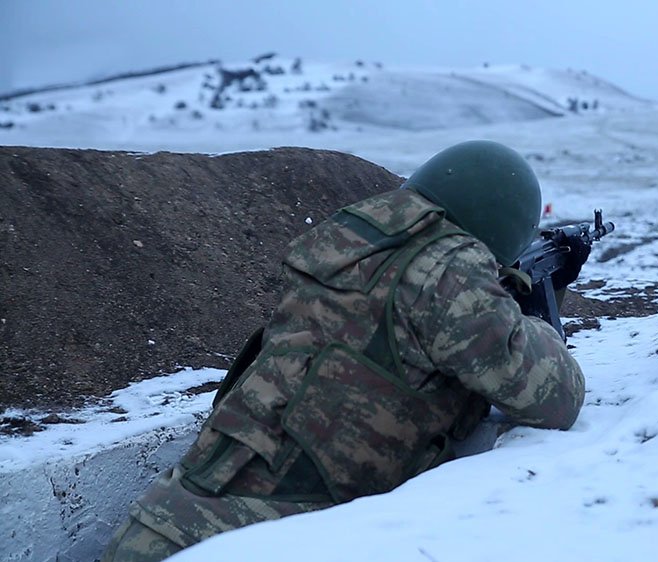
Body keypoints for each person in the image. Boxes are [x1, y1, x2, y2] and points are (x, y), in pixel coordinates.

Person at [101, 140, 586, 561]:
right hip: (240, 543)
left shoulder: (350, 244)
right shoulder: (450, 274)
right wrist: (526, 305)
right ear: (503, 225)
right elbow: (556, 397)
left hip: (160, 521)